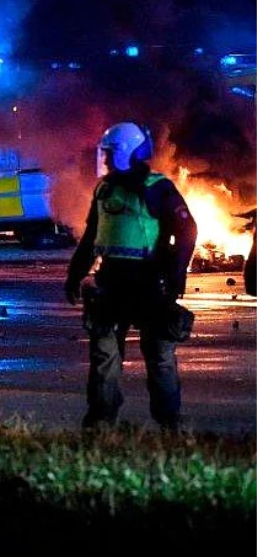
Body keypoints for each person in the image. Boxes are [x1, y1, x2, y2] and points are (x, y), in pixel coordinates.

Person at [64, 121, 197, 431]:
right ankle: (101, 423)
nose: (105, 160)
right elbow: (91, 237)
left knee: (159, 354)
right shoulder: (105, 188)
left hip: (149, 283)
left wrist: (176, 275)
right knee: (104, 355)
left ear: (125, 153)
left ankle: (170, 425)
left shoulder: (158, 187)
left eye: (109, 154)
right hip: (111, 281)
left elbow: (187, 230)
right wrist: (75, 274)